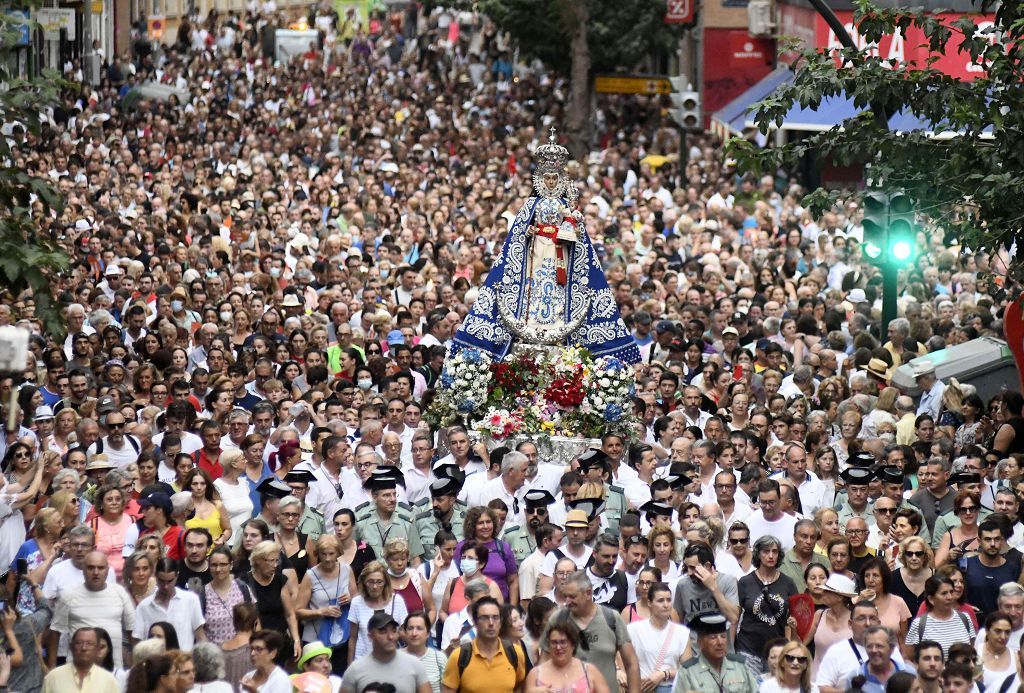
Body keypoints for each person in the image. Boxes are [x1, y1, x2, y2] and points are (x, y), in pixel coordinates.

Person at [543, 571, 639, 693]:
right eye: (565, 596)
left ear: (588, 593)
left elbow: (631, 663)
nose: (567, 601)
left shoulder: (611, 618)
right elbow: (544, 663)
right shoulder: (557, 619)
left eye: (572, 596)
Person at [47, 551, 134, 670]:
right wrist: (52, 668)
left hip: (113, 669)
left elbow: (132, 631)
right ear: (83, 569)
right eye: (91, 568)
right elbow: (55, 632)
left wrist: (136, 664)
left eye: (101, 568)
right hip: (76, 669)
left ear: (108, 570)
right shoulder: (69, 595)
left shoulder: (120, 593)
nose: (96, 572)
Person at [441, 596, 528, 693]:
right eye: (485, 618)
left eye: (495, 617)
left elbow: (519, 687)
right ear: (475, 621)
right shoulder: (459, 657)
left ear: (501, 621)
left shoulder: (515, 653)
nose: (491, 623)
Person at [736, 535, 798, 670]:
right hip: (748, 647)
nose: (771, 556)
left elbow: (792, 619)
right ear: (758, 554)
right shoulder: (745, 582)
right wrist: (730, 649)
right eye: (766, 551)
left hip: (777, 650)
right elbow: (735, 617)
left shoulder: (788, 583)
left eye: (774, 552)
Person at [297, 533, 354, 666]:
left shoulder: (347, 570)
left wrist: (350, 599)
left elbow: (357, 599)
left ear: (338, 553)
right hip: (316, 641)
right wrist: (321, 612)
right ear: (318, 554)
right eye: (323, 554)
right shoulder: (310, 576)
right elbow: (298, 611)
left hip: (342, 638)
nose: (328, 559)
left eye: (331, 553)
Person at [239, 540, 302, 661]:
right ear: (258, 560)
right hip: (256, 645)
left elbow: (290, 614)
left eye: (277, 560)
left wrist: (296, 640)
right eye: (271, 561)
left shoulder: (279, 580)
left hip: (279, 643)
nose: (275, 565)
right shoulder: (245, 581)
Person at [341, 611, 432, 693]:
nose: (390, 637)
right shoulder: (355, 670)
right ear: (370, 636)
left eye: (393, 631)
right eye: (383, 631)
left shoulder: (415, 665)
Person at [625, 581, 690, 692]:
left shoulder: (682, 632)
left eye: (669, 600)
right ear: (650, 603)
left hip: (670, 687)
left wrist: (664, 674)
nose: (666, 605)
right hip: (642, 688)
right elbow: (622, 661)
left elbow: (688, 669)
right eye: (660, 601)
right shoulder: (634, 630)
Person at [132, 558, 206, 650]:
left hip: (183, 660)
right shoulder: (143, 607)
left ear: (177, 576)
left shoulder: (191, 600)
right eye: (161, 581)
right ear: (155, 577)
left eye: (170, 581)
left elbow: (200, 636)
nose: (166, 586)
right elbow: (138, 643)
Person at [675, 612, 758, 693]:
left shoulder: (740, 666)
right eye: (713, 637)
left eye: (723, 636)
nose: (720, 642)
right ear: (700, 642)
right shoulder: (688, 672)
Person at [524, 616, 610, 693]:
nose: (558, 647)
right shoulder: (535, 674)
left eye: (563, 642)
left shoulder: (589, 671)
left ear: (573, 644)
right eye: (554, 643)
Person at [347, 560, 409, 663]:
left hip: (391, 661)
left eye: (379, 582)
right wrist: (350, 666)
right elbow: (353, 638)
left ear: (385, 583)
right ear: (364, 582)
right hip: (363, 661)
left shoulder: (397, 601)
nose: (375, 587)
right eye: (370, 582)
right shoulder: (357, 602)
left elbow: (405, 634)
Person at [904, 575, 976, 658]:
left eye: (951, 592)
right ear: (931, 599)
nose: (949, 597)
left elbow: (972, 652)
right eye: (944, 593)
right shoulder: (919, 624)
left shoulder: (965, 618)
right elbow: (910, 659)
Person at [42, 626, 118, 693]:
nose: (84, 648)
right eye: (79, 643)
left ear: (97, 648)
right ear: (71, 647)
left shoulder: (109, 680)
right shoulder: (53, 677)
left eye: (89, 643)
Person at [844, 626, 914, 693]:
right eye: (869, 646)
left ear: (891, 648)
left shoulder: (909, 672)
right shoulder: (854, 677)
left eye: (879, 646)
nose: (873, 650)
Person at [403, 612, 448, 693]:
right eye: (410, 628)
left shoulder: (439, 658)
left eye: (419, 628)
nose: (414, 633)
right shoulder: (394, 658)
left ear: (428, 633)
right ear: (405, 632)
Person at [978, 611, 1019, 692]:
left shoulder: (1016, 658)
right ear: (987, 630)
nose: (1003, 637)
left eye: (1007, 632)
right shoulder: (975, 653)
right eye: (998, 631)